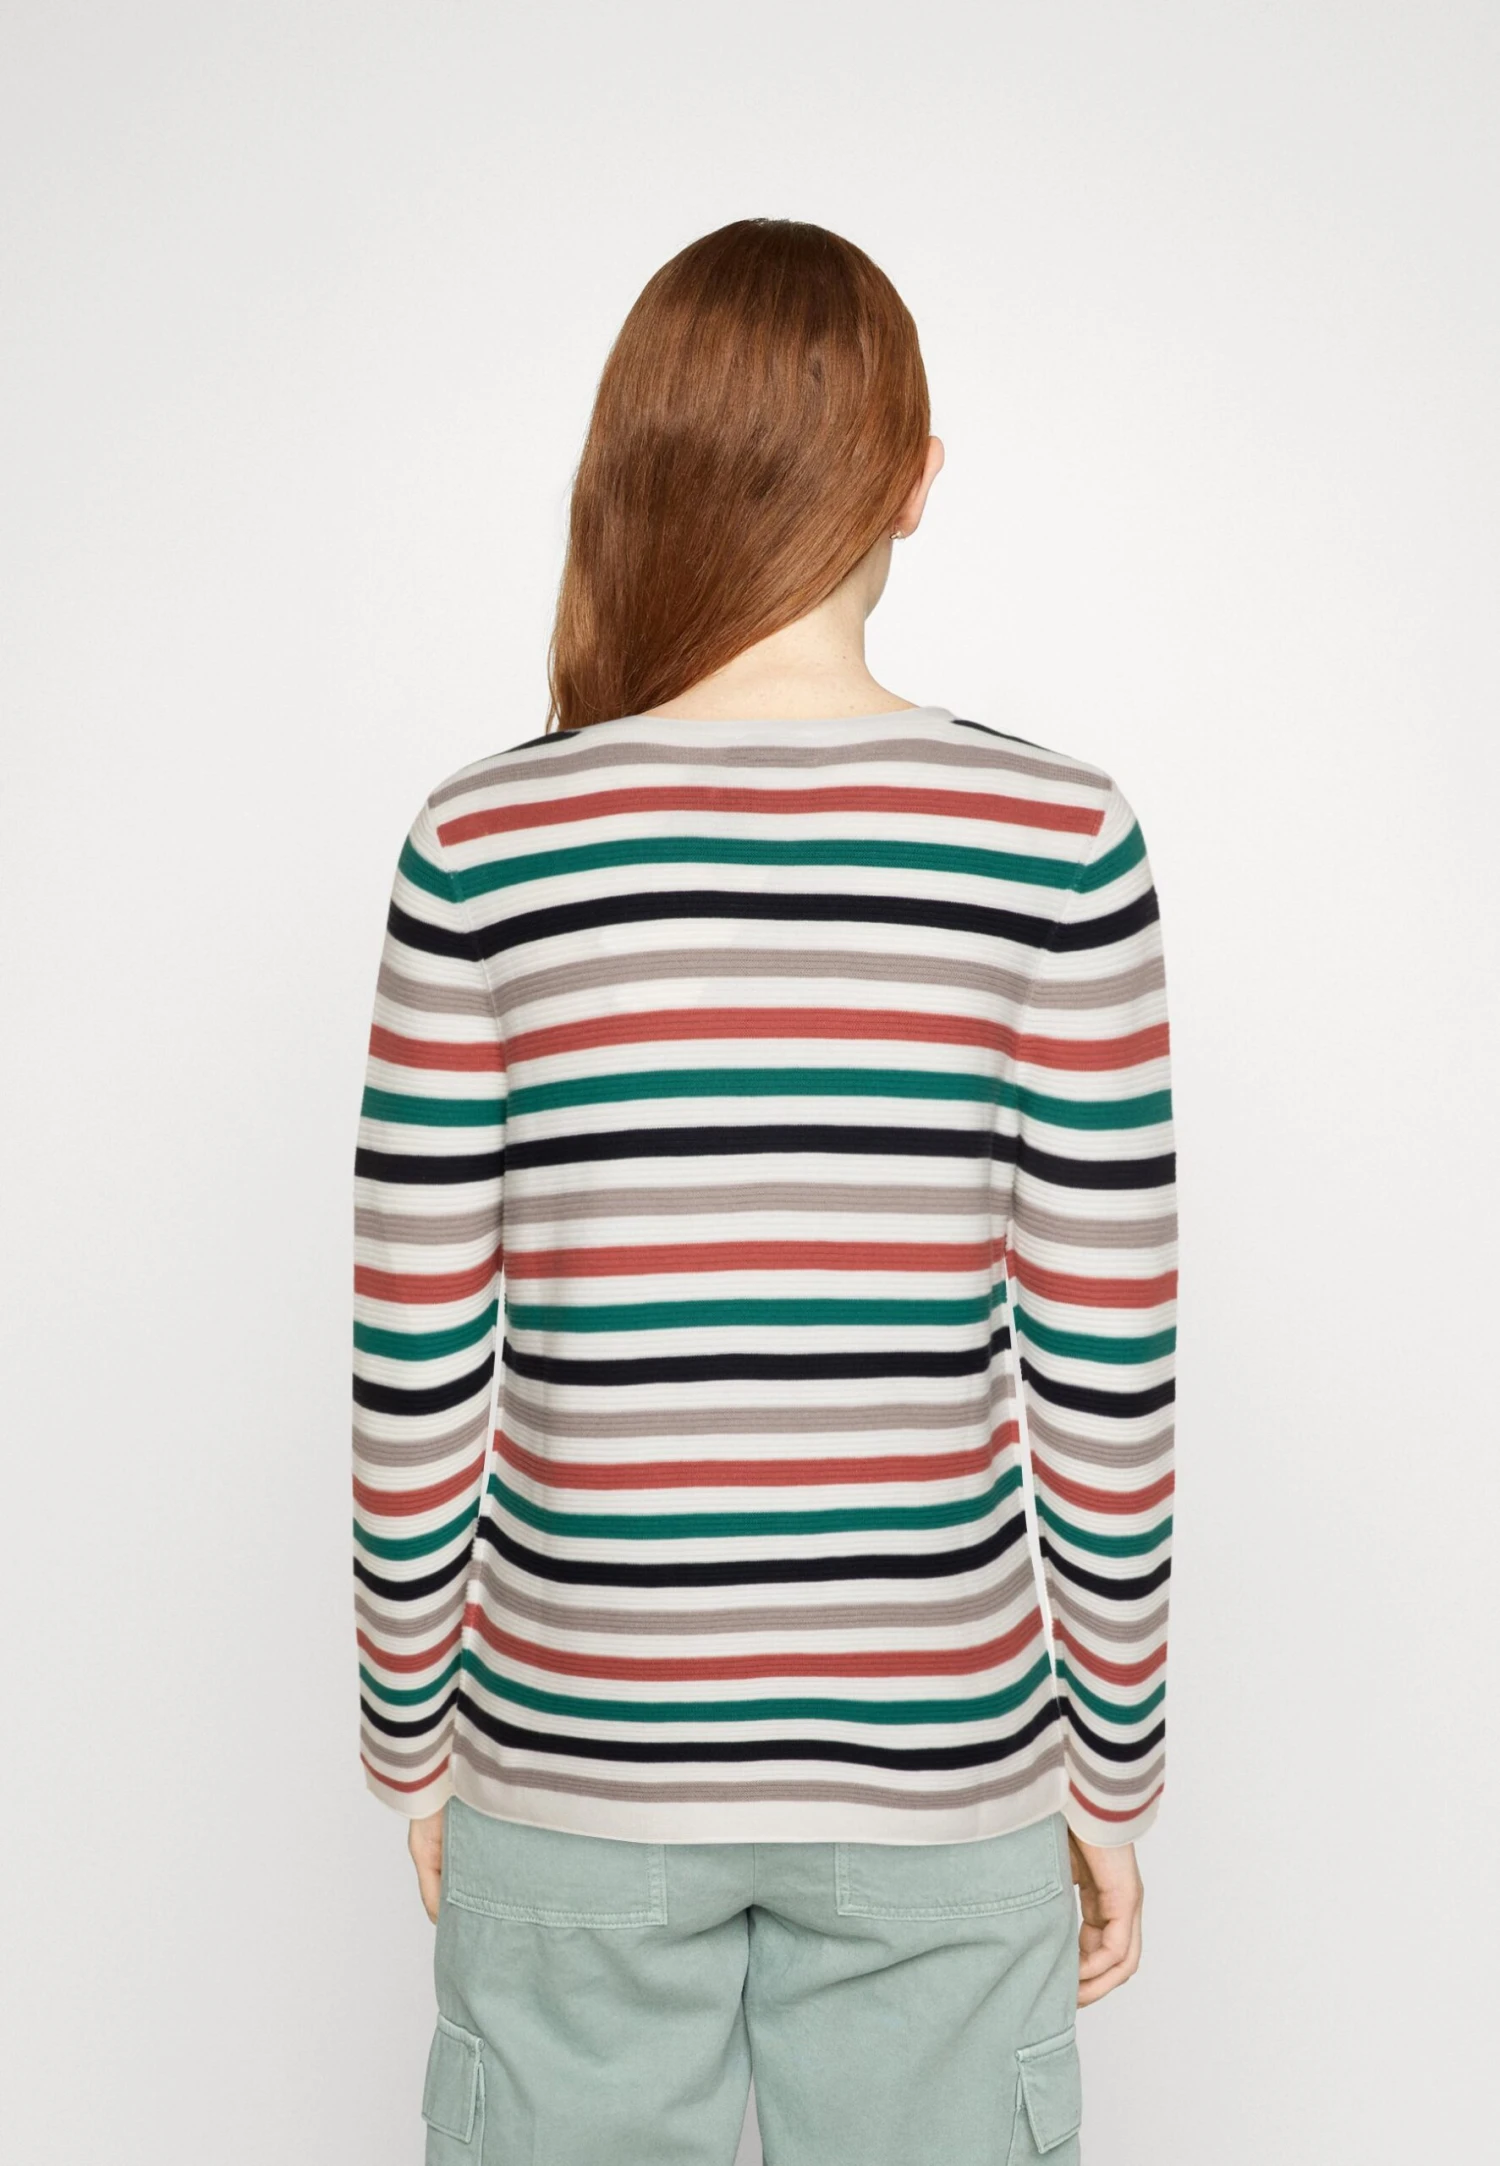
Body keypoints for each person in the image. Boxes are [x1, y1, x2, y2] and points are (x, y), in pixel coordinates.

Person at [351, 217, 1176, 2166]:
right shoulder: (1058, 841)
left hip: (573, 1746)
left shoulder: (484, 843)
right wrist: (1111, 1767)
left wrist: (409, 1733)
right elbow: (1104, 1370)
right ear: (916, 478)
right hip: (942, 1760)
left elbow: (416, 1355)